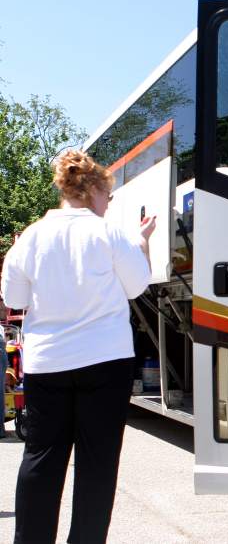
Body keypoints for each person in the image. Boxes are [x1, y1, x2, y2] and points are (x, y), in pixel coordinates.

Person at [0, 149, 156, 544]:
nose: (109, 203)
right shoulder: (109, 233)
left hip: (47, 363)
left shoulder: (32, 237)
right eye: (109, 196)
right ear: (94, 191)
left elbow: (14, 298)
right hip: (105, 362)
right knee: (97, 464)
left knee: (41, 457)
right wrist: (142, 243)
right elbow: (137, 286)